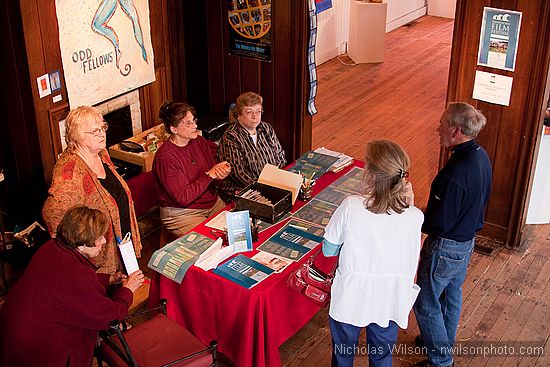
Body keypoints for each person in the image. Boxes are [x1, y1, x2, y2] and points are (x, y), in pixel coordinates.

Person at [0, 206, 144, 367]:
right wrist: (128, 290)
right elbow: (109, 318)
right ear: (82, 243)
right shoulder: (76, 275)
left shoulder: (52, 247)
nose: (104, 241)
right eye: (99, 238)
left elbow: (64, 285)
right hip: (38, 347)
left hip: (14, 329)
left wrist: (109, 278)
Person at [322, 140, 423, 367]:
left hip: (351, 295)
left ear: (372, 175)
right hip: (390, 298)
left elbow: (328, 249)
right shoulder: (416, 217)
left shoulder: (351, 205)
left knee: (343, 356)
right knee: (381, 357)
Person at [413, 102, 492, 367]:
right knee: (450, 296)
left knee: (425, 302)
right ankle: (441, 340)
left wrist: (411, 219)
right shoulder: (480, 156)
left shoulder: (456, 172)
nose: (438, 128)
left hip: (445, 247)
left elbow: (440, 222)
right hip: (466, 242)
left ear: (456, 131)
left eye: (442, 124)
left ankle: (441, 360)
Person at [42, 105, 142, 277]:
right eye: (95, 131)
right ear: (76, 136)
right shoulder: (70, 170)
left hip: (122, 243)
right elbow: (53, 213)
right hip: (98, 258)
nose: (102, 133)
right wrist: (81, 244)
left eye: (103, 128)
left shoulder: (101, 153)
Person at [153, 101, 231, 240]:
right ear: (173, 129)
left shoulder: (199, 141)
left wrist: (220, 173)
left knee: (238, 232)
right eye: (188, 123)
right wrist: (209, 175)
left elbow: (212, 174)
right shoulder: (166, 157)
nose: (195, 126)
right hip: (183, 213)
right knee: (214, 243)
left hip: (211, 203)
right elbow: (183, 199)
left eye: (194, 120)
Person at [217, 91, 286, 202]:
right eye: (249, 112)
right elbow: (238, 175)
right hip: (243, 190)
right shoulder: (231, 136)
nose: (255, 116)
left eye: (258, 111)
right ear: (239, 115)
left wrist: (276, 180)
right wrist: (265, 188)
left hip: (271, 184)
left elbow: (280, 157)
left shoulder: (266, 128)